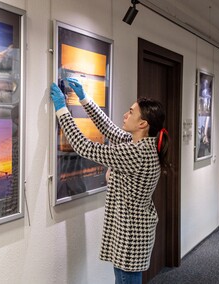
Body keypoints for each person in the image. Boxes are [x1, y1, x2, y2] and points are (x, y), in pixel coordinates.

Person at [50, 78, 169, 284]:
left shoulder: (136, 152)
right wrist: (84, 98)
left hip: (130, 235)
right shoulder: (143, 143)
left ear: (143, 123)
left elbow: (84, 147)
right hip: (134, 231)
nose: (125, 114)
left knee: (125, 279)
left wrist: (61, 109)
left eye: (131, 112)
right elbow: (109, 129)